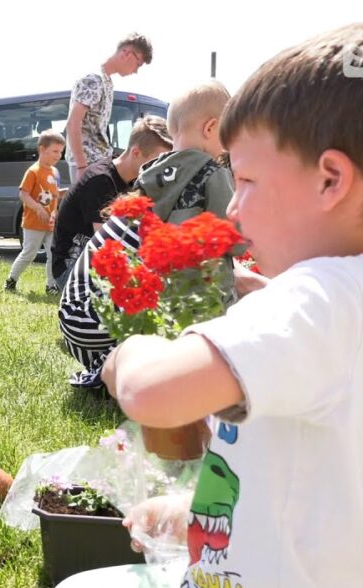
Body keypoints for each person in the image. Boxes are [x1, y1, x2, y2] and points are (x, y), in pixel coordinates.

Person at [53, 21, 363, 588]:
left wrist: (131, 352)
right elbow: (312, 487)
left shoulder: (318, 298)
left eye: (245, 179)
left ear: (330, 180)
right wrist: (190, 512)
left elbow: (153, 393)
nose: (236, 210)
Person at [58, 85, 232, 389]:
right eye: (228, 138)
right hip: (101, 322)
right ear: (211, 127)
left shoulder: (155, 175)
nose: (228, 150)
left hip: (76, 320)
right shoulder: (204, 172)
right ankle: (132, 373)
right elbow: (221, 246)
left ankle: (113, 368)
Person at [50, 115, 173, 290]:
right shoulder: (100, 181)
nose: (162, 169)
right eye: (157, 161)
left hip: (93, 263)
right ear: (136, 153)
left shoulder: (133, 179)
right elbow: (109, 246)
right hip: (71, 270)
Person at [66, 33, 153, 184]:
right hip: (88, 164)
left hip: (99, 161)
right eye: (138, 64)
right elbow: (73, 123)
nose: (136, 71)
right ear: (126, 53)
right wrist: (81, 167)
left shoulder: (107, 82)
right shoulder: (93, 80)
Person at [5, 130, 65, 294]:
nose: (59, 155)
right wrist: (38, 208)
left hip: (50, 223)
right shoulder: (33, 171)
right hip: (33, 223)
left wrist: (67, 192)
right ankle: (11, 280)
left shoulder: (55, 172)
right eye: (55, 151)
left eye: (61, 152)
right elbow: (23, 194)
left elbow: (54, 194)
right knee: (29, 254)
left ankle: (51, 285)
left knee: (53, 255)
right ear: (42, 149)